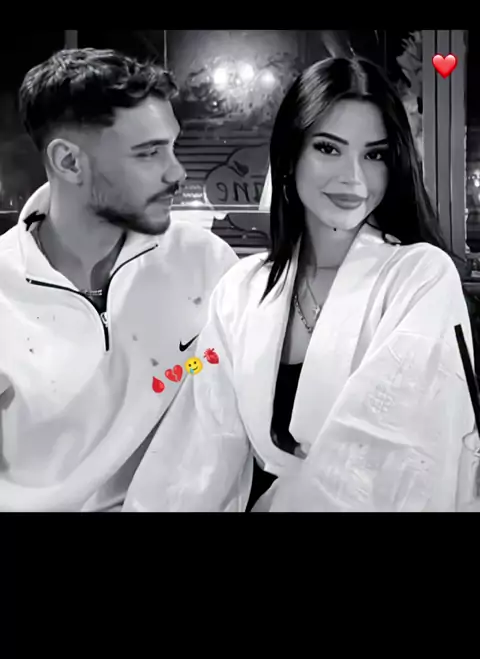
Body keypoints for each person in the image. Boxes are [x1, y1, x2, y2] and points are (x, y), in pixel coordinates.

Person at [124, 56, 475, 513]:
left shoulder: (421, 276)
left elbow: (391, 458)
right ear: (290, 156)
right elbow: (197, 447)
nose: (353, 178)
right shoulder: (241, 290)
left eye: (375, 155)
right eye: (328, 148)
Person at [0, 48, 238, 512]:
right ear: (69, 163)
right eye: (148, 153)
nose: (177, 172)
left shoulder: (206, 262)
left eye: (172, 146)